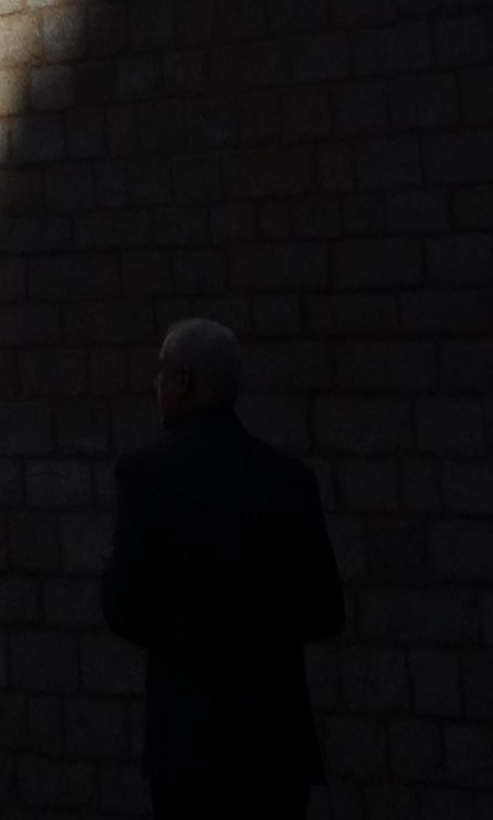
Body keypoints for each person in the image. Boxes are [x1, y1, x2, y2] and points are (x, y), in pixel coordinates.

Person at [101, 317, 345, 820]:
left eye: (162, 373)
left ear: (184, 383)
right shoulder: (289, 479)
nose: (156, 385)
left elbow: (123, 608)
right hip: (274, 745)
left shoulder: (145, 475)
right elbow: (325, 611)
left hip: (188, 744)